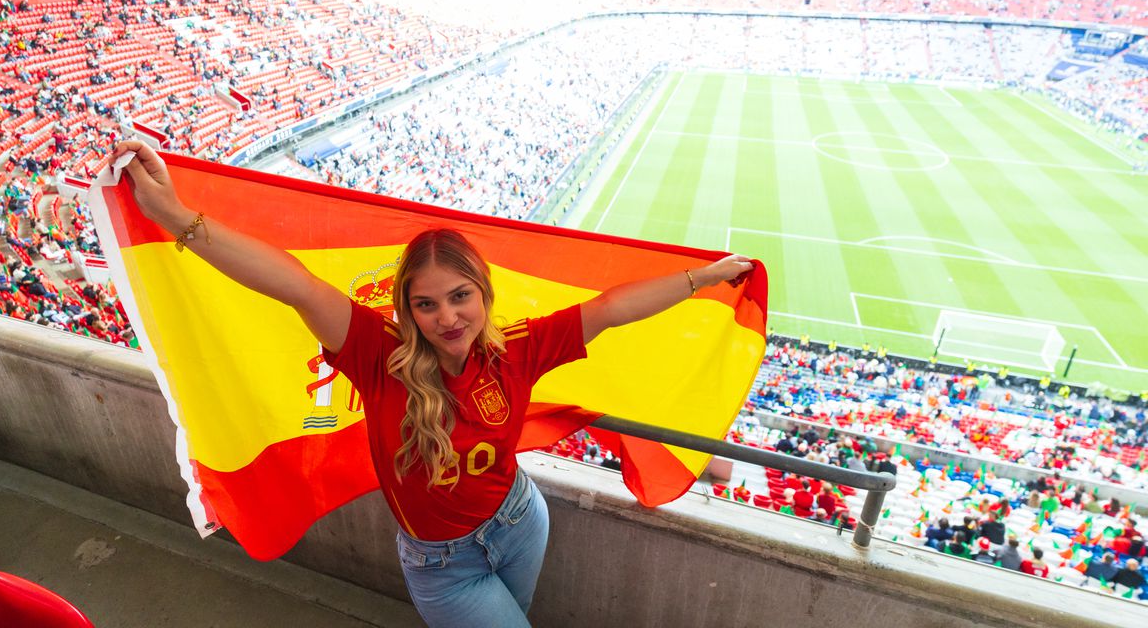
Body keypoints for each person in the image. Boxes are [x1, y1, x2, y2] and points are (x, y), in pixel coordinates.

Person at [102, 139, 753, 628]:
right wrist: (173, 215)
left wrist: (700, 279)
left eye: (460, 296)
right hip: (443, 566)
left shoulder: (520, 350)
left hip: (520, 521)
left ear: (484, 294)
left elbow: (611, 309)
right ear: (407, 310)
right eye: (427, 304)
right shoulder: (374, 354)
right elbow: (291, 283)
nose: (447, 318)